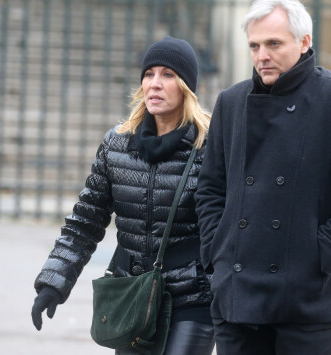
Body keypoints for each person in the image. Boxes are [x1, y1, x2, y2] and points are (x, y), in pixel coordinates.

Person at [194, 0, 331, 355]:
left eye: (273, 44)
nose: (261, 56)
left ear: (304, 42)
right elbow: (210, 188)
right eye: (254, 46)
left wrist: (319, 255)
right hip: (237, 293)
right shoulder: (231, 102)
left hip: (308, 299)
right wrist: (216, 252)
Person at [31, 36, 216, 355]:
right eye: (149, 74)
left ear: (186, 86)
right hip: (133, 297)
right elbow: (84, 223)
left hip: (192, 299)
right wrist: (53, 282)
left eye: (168, 75)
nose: (155, 84)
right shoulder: (116, 146)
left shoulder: (210, 147)